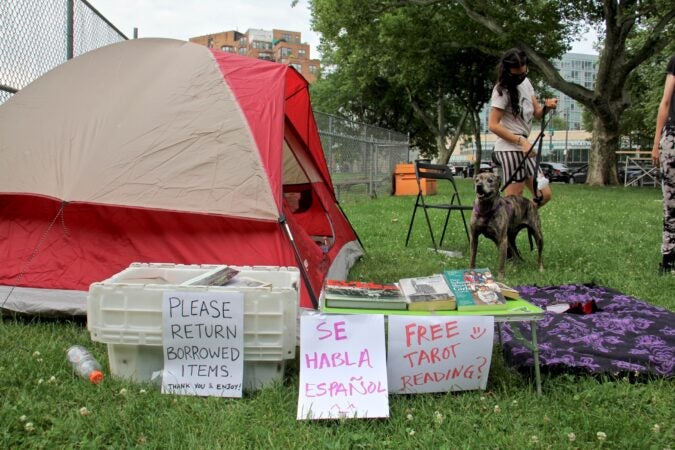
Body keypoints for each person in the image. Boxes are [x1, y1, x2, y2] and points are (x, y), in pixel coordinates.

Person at [488, 48, 557, 208]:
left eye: (523, 73)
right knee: (514, 200)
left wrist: (547, 107)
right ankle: (506, 229)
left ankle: (523, 219)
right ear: (507, 71)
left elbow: (537, 113)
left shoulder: (526, 83)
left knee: (544, 194)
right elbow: (493, 125)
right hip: (509, 147)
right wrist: (520, 141)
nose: (520, 78)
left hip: (526, 146)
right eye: (516, 75)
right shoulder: (501, 90)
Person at [651, 54, 675, 275]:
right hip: (673, 138)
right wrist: (657, 142)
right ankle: (669, 259)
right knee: (671, 202)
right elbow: (665, 102)